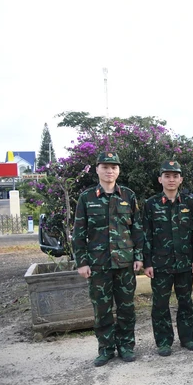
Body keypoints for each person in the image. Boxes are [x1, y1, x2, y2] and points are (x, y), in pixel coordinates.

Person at [72, 152, 144, 367]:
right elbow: (78, 232)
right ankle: (105, 349)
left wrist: (138, 256)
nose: (109, 171)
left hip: (124, 262)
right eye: (105, 167)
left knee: (126, 308)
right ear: (97, 169)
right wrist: (82, 262)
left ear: (119, 170)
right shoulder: (87, 198)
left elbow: (137, 229)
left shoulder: (128, 196)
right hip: (98, 264)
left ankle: (126, 346)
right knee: (101, 309)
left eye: (113, 167)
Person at [142, 160, 193, 356]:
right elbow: (146, 235)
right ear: (160, 179)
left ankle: (187, 338)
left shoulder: (189, 203)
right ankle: (164, 341)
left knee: (186, 302)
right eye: (167, 176)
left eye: (175, 176)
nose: (171, 179)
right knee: (160, 304)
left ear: (181, 179)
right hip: (160, 265)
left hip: (184, 263)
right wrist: (147, 262)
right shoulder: (151, 204)